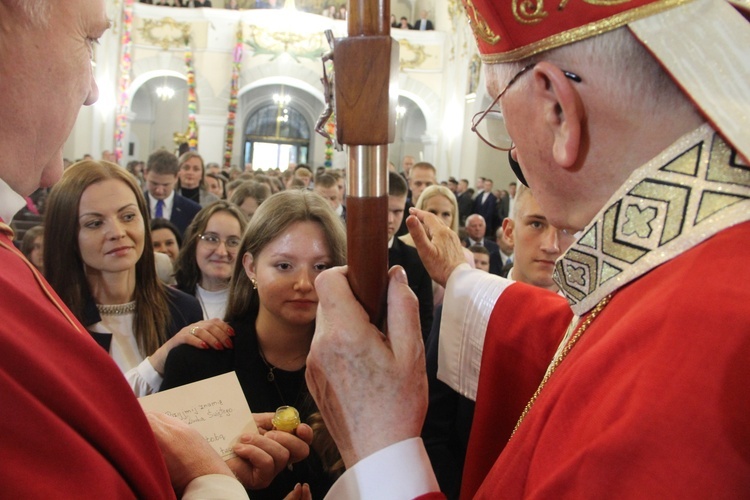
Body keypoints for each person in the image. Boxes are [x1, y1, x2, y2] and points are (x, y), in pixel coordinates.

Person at [305, 0, 750, 497]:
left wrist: (380, 444)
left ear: (557, 108)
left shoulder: (703, 353)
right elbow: (593, 342)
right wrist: (464, 281)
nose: (510, 150)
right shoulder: (708, 263)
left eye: (496, 106)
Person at [0, 1, 298, 495]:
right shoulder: (26, 301)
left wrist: (215, 456)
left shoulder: (182, 312)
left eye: (127, 215)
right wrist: (207, 478)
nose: (95, 90)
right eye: (90, 40)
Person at [163, 190, 346, 498]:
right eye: (284, 266)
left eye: (321, 267)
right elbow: (165, 482)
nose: (304, 283)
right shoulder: (198, 362)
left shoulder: (354, 370)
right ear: (250, 267)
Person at [44, 160, 235, 397]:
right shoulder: (50, 320)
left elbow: (197, 407)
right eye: (94, 223)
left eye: (127, 216)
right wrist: (157, 362)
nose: (117, 232)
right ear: (67, 234)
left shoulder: (182, 309)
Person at [174, 201, 248, 320]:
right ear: (194, 243)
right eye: (212, 239)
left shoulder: (256, 305)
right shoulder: (171, 301)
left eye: (233, 242)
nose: (221, 252)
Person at [386, 172, 433, 342]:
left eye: (397, 211)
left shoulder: (416, 259)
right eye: (384, 210)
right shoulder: (343, 251)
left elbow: (425, 318)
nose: (390, 219)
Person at [144, 148, 202, 237]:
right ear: (146, 173)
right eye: (154, 183)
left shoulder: (193, 211)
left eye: (165, 185)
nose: (159, 190)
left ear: (176, 177)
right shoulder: (135, 205)